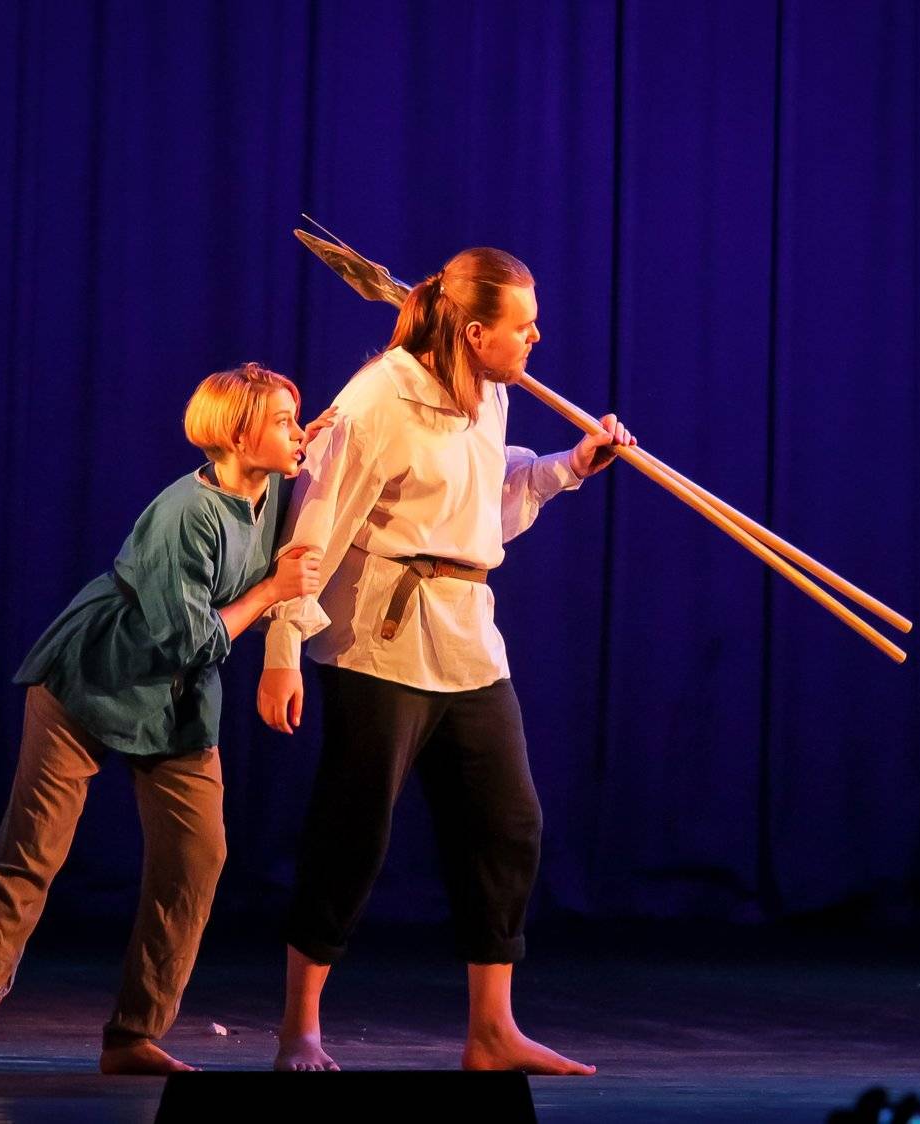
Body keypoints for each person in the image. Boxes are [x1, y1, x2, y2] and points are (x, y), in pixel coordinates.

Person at [256, 248, 634, 1075]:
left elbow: (482, 504)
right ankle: (300, 1028)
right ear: (473, 332)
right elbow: (314, 524)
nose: (536, 337)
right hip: (378, 638)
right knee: (353, 830)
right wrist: (283, 648)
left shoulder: (489, 394)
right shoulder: (377, 399)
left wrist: (570, 466)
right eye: (522, 325)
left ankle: (491, 1032)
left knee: (508, 823)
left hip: (466, 635)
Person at [0, 363, 331, 1076]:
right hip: (94, 677)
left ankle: (132, 1035)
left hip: (175, 697)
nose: (297, 433)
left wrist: (322, 433)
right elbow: (190, 639)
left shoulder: (275, 489)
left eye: (296, 419)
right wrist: (272, 590)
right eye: (282, 422)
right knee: (34, 849)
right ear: (238, 436)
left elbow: (321, 454)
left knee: (197, 854)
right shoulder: (187, 513)